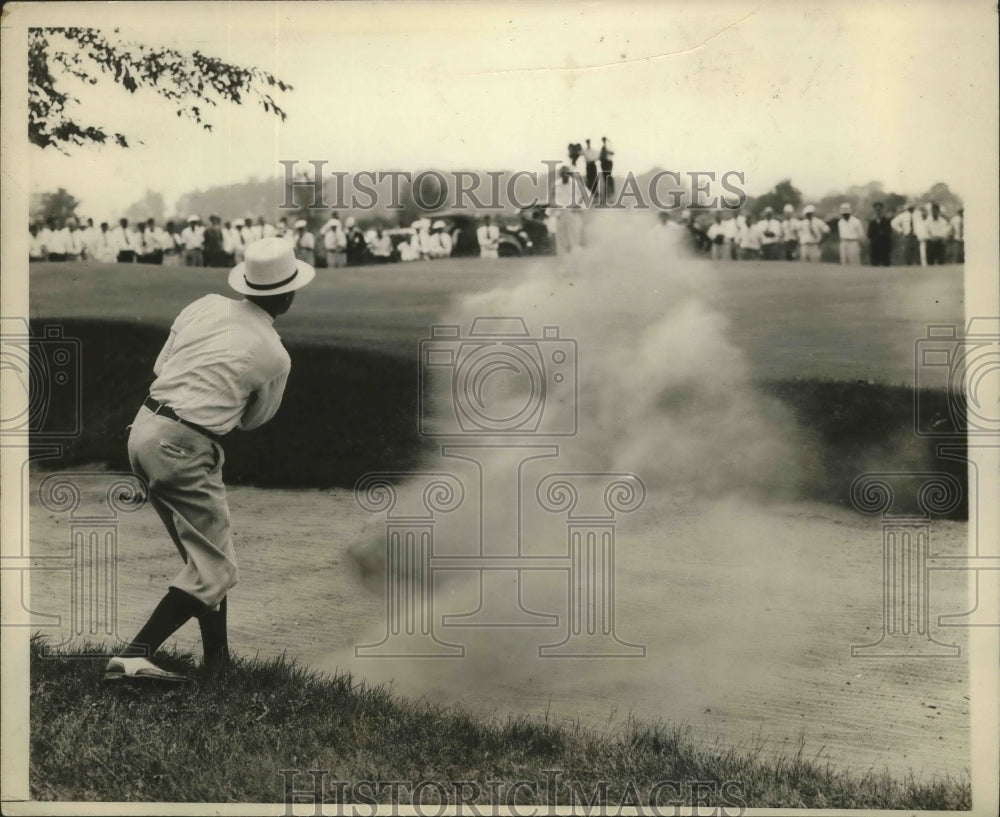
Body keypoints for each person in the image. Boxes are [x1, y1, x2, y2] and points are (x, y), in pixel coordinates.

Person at [104, 237, 315, 684]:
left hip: (143, 429)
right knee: (216, 566)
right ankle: (133, 657)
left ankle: (217, 661)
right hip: (184, 446)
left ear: (247, 283)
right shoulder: (276, 354)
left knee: (206, 555)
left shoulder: (204, 304)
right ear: (288, 294)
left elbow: (164, 367)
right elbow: (252, 421)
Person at [890, 201, 920, 266]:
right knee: (907, 253)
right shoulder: (903, 215)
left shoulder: (918, 214)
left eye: (912, 206)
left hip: (917, 236)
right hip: (907, 236)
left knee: (917, 254)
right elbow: (893, 223)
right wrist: (900, 230)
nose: (911, 207)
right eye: (910, 206)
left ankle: (918, 269)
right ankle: (908, 266)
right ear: (907, 207)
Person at [867, 202, 892, 266]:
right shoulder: (872, 221)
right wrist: (875, 236)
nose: (878, 211)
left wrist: (883, 234)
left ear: (882, 210)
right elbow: (869, 234)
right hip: (875, 245)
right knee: (874, 262)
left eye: (879, 209)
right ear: (875, 210)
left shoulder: (886, 220)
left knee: (886, 262)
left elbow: (889, 231)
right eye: (877, 210)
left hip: (884, 244)